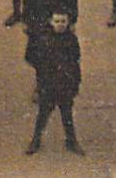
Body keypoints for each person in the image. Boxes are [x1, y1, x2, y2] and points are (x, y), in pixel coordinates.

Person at [24, 8, 84, 155]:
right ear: (51, 22)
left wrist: (75, 83)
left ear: (68, 22)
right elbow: (30, 56)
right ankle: (36, 140)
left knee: (67, 114)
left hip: (65, 84)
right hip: (48, 84)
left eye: (63, 21)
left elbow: (76, 61)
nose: (60, 24)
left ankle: (71, 141)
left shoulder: (71, 40)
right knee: (43, 114)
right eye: (57, 21)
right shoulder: (43, 39)